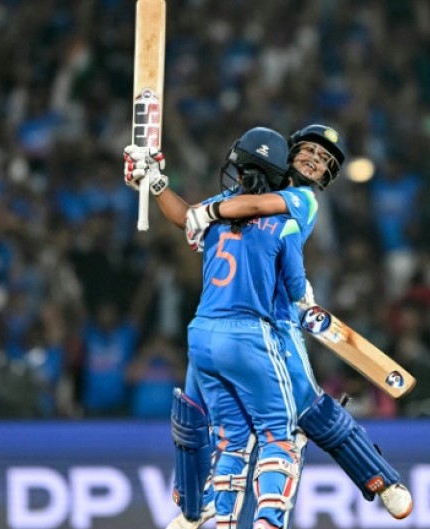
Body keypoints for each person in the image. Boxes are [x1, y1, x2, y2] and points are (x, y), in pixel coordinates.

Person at [125, 124, 413, 524]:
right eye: (310, 151)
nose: (317, 160)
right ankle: (202, 508)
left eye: (326, 160)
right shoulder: (237, 198)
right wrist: (155, 183)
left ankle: (383, 480)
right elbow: (193, 216)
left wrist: (205, 211)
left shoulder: (301, 199)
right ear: (286, 154)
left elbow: (247, 209)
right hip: (252, 324)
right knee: (206, 420)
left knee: (309, 413)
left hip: (274, 325)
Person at [127, 127, 311, 529]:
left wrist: (156, 183)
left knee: (230, 439)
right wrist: (306, 299)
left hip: (203, 334)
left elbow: (183, 217)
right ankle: (268, 521)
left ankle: (223, 522)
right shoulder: (287, 216)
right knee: (280, 435)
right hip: (250, 334)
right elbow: (295, 287)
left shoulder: (217, 209)